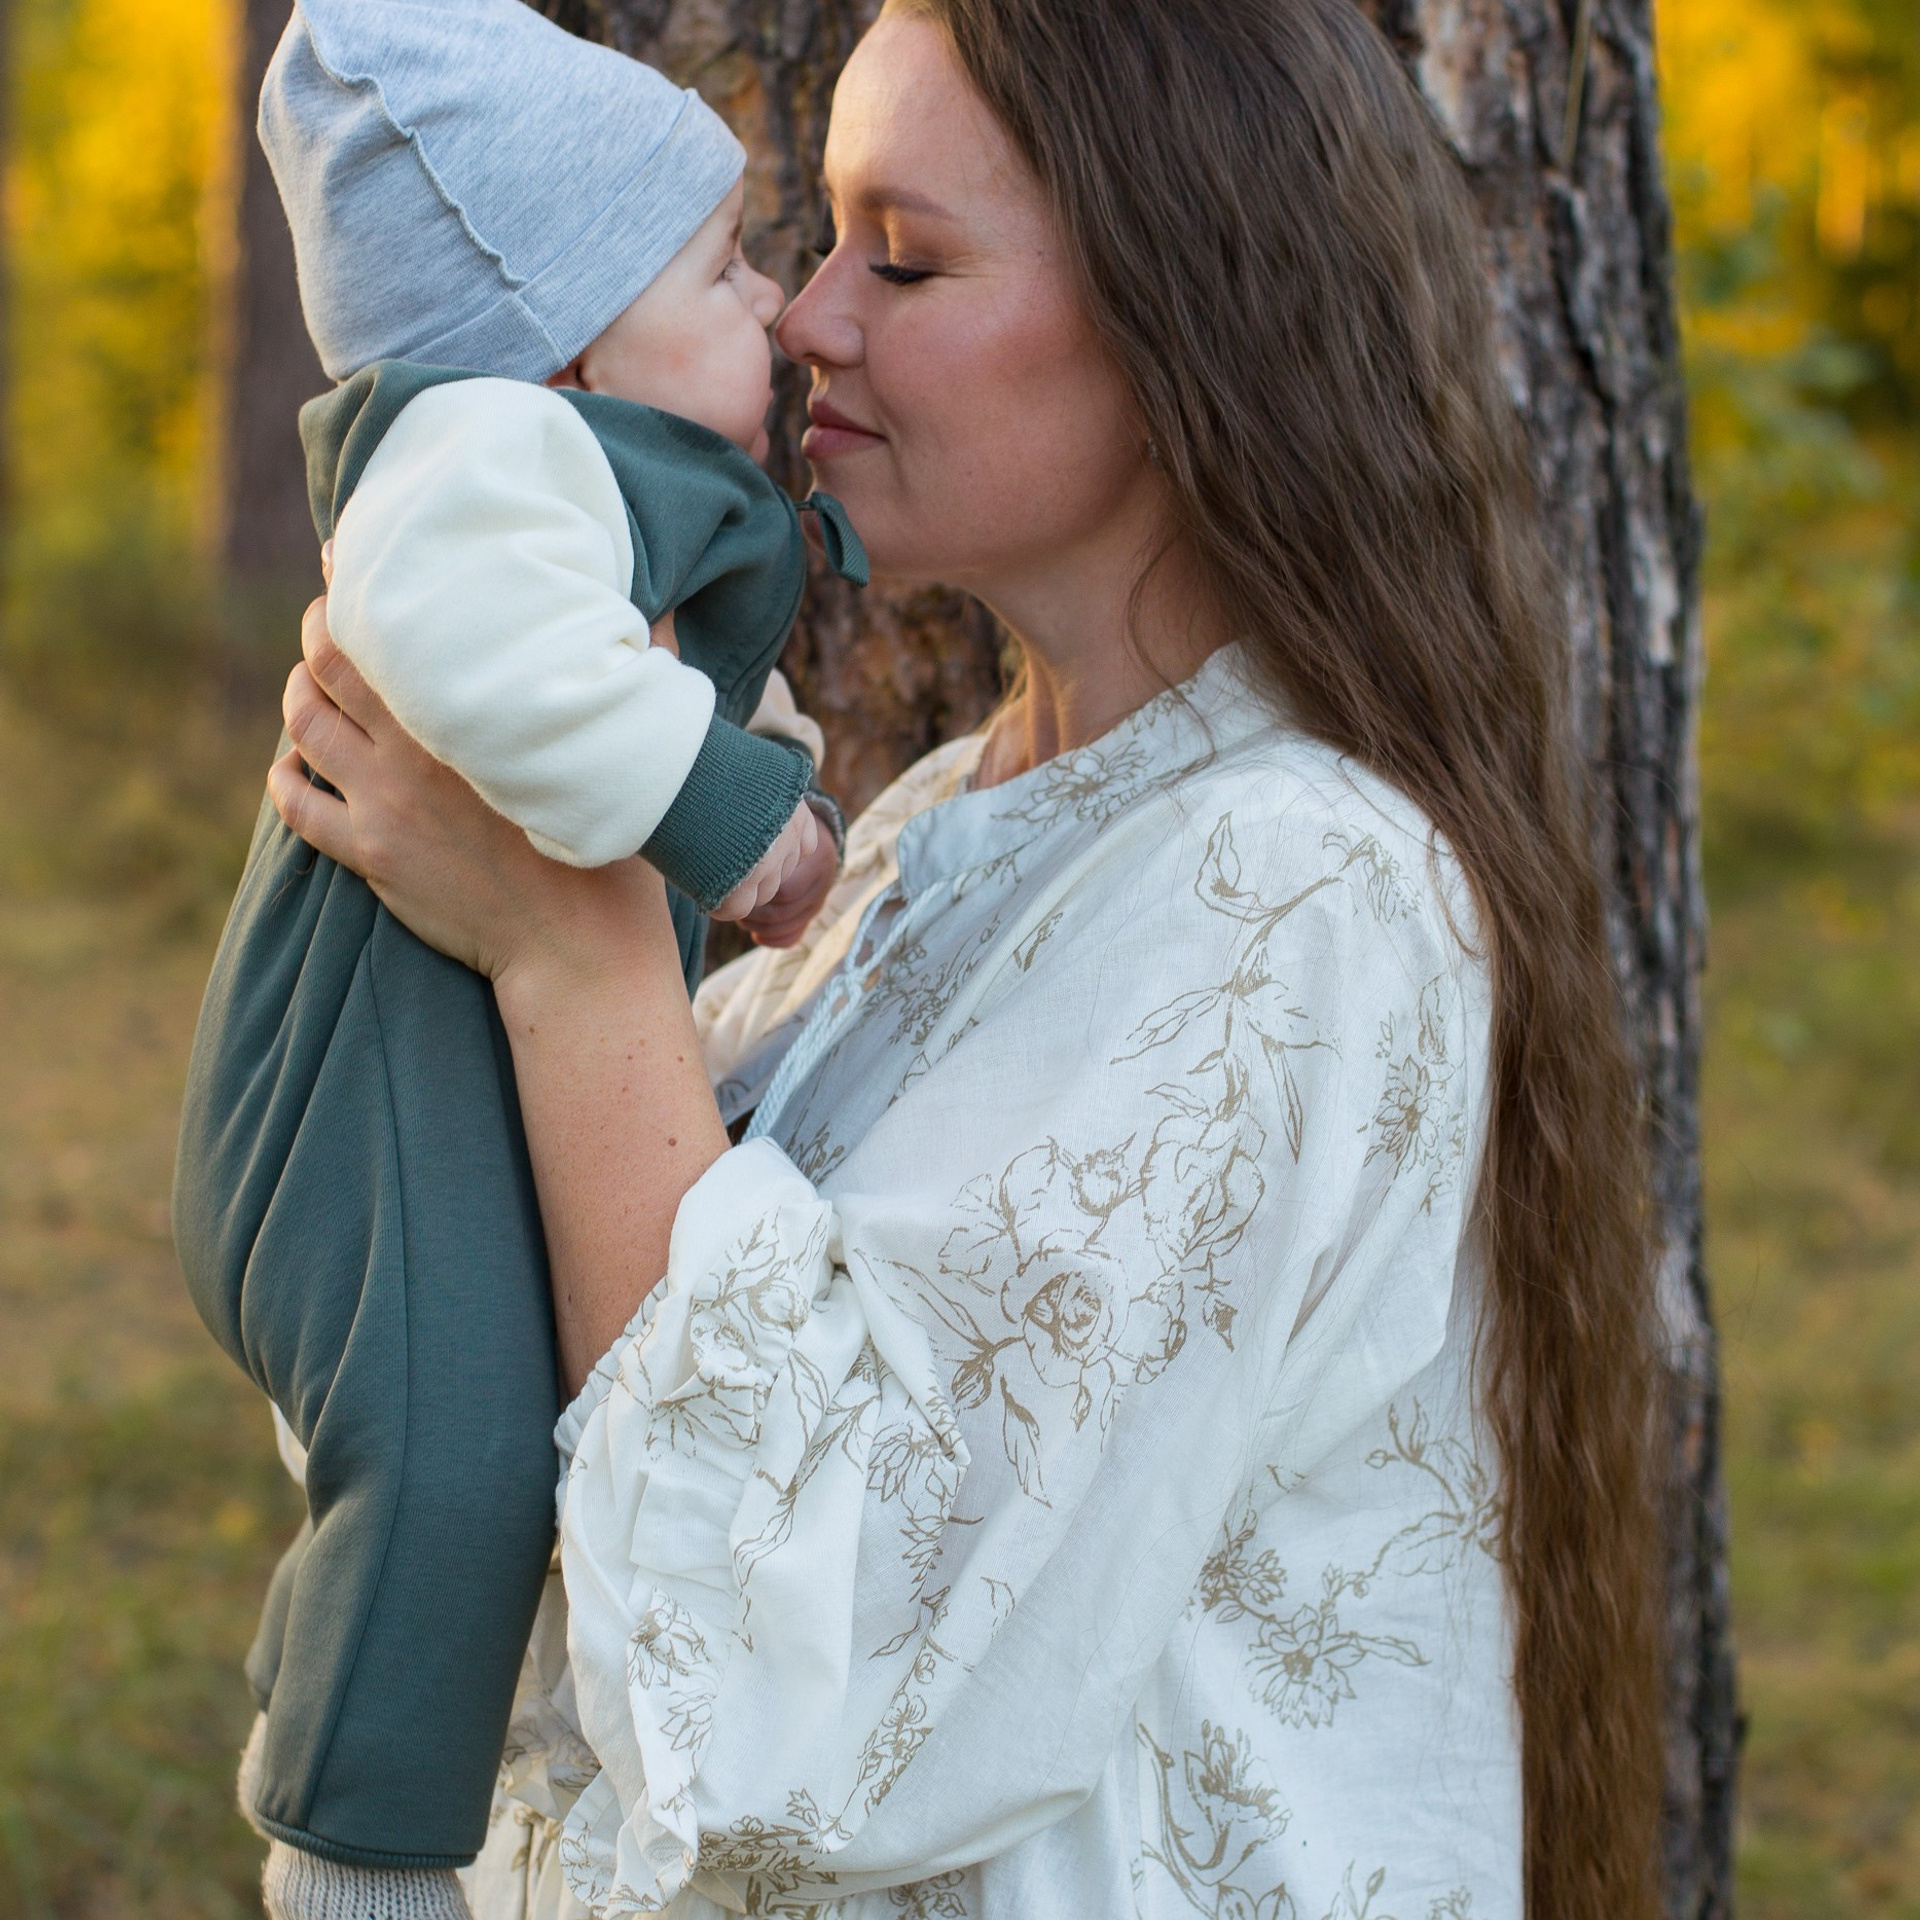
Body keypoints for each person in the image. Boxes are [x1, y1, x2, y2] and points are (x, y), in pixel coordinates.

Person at [264, 1, 1669, 1917]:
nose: (808, 319)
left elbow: (809, 1698)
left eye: (901, 258)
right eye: (816, 241)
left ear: (1196, 321)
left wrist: (566, 945)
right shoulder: (934, 824)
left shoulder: (1296, 889)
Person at [172, 4, 863, 1916]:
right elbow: (494, 657)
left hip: (420, 1059)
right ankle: (356, 1860)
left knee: (470, 1441)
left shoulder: (569, 464)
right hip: (352, 1073)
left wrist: (755, 767)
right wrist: (729, 817)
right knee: (454, 1453)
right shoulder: (485, 446)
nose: (777, 308)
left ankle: (371, 1741)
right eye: (723, 267)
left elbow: (621, 684)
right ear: (567, 332)